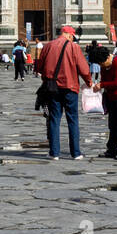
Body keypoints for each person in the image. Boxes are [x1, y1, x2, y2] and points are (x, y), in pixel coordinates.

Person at [34, 25, 92, 161]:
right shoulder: (74, 47)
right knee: (72, 119)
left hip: (52, 88)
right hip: (70, 87)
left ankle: (54, 153)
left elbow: (40, 67)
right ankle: (76, 153)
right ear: (69, 35)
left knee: (54, 119)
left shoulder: (48, 46)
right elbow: (83, 69)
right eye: (73, 37)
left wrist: (49, 77)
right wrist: (89, 82)